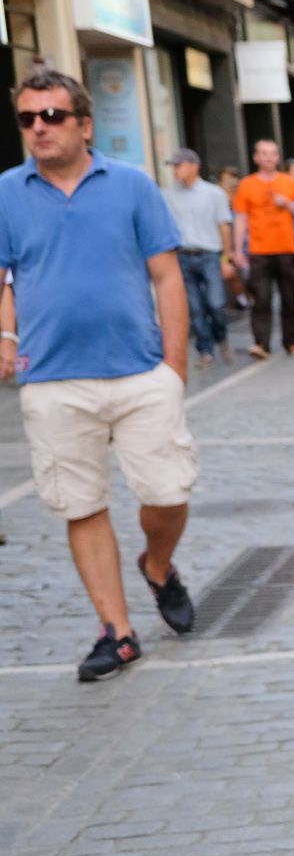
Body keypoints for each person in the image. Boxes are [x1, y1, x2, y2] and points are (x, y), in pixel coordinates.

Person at [0, 69, 201, 680]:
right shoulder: (7, 191)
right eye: (28, 118)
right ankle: (117, 632)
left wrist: (174, 368)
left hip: (141, 372)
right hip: (53, 379)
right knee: (80, 503)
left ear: (84, 125)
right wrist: (6, 337)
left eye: (53, 116)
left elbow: (167, 278)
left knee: (168, 493)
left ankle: (158, 566)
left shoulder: (133, 186)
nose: (39, 127)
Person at [232, 139, 294, 358]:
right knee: (261, 299)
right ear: (255, 157)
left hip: (287, 248)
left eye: (272, 153)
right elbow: (240, 218)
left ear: (277, 157)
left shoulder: (289, 183)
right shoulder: (246, 184)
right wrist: (237, 250)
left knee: (290, 298)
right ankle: (262, 343)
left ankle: (291, 341)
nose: (268, 158)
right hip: (259, 250)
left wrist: (288, 204)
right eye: (264, 153)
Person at [162, 148, 235, 369]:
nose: (175, 170)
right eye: (173, 166)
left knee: (215, 303)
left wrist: (226, 258)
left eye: (179, 165)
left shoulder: (214, 194)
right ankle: (205, 350)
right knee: (194, 308)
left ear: (194, 166)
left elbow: (224, 226)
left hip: (210, 255)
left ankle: (221, 336)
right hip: (183, 256)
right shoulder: (167, 195)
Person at [216, 166, 248, 308]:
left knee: (246, 274)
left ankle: (246, 296)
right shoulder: (219, 199)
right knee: (233, 273)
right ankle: (242, 299)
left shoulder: (241, 198)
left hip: (245, 243)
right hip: (227, 244)